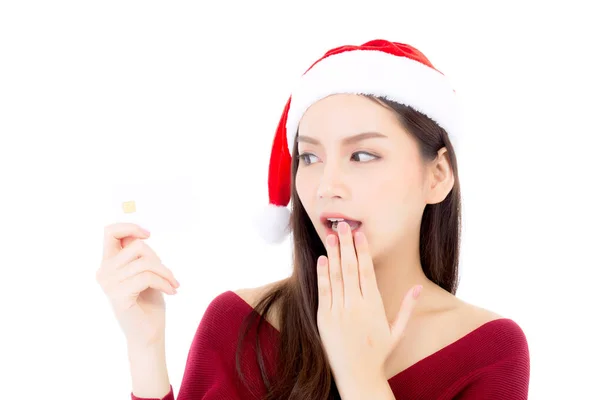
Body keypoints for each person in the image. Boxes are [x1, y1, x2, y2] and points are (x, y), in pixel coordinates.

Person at [97, 39, 530, 400]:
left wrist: (361, 376)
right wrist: (146, 348)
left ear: (437, 177)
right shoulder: (237, 323)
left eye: (362, 155)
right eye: (309, 156)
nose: (326, 186)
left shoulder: (490, 350)